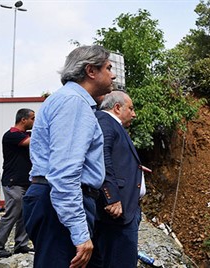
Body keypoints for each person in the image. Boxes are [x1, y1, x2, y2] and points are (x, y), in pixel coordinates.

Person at [22, 45, 115, 268]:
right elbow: (65, 173)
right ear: (91, 71)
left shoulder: (64, 99)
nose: (113, 75)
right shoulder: (74, 103)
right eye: (108, 68)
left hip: (54, 201)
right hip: (59, 204)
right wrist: (80, 232)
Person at [88, 91, 143, 268]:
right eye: (131, 109)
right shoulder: (105, 122)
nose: (134, 114)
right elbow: (101, 158)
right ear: (117, 108)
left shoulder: (113, 125)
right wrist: (111, 197)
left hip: (124, 209)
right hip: (116, 212)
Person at [0, 109, 35, 258]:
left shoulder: (26, 134)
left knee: (24, 213)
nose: (34, 121)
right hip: (13, 182)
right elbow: (30, 141)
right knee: (12, 212)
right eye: (32, 118)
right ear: (23, 120)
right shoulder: (11, 135)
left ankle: (21, 245)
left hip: (25, 181)